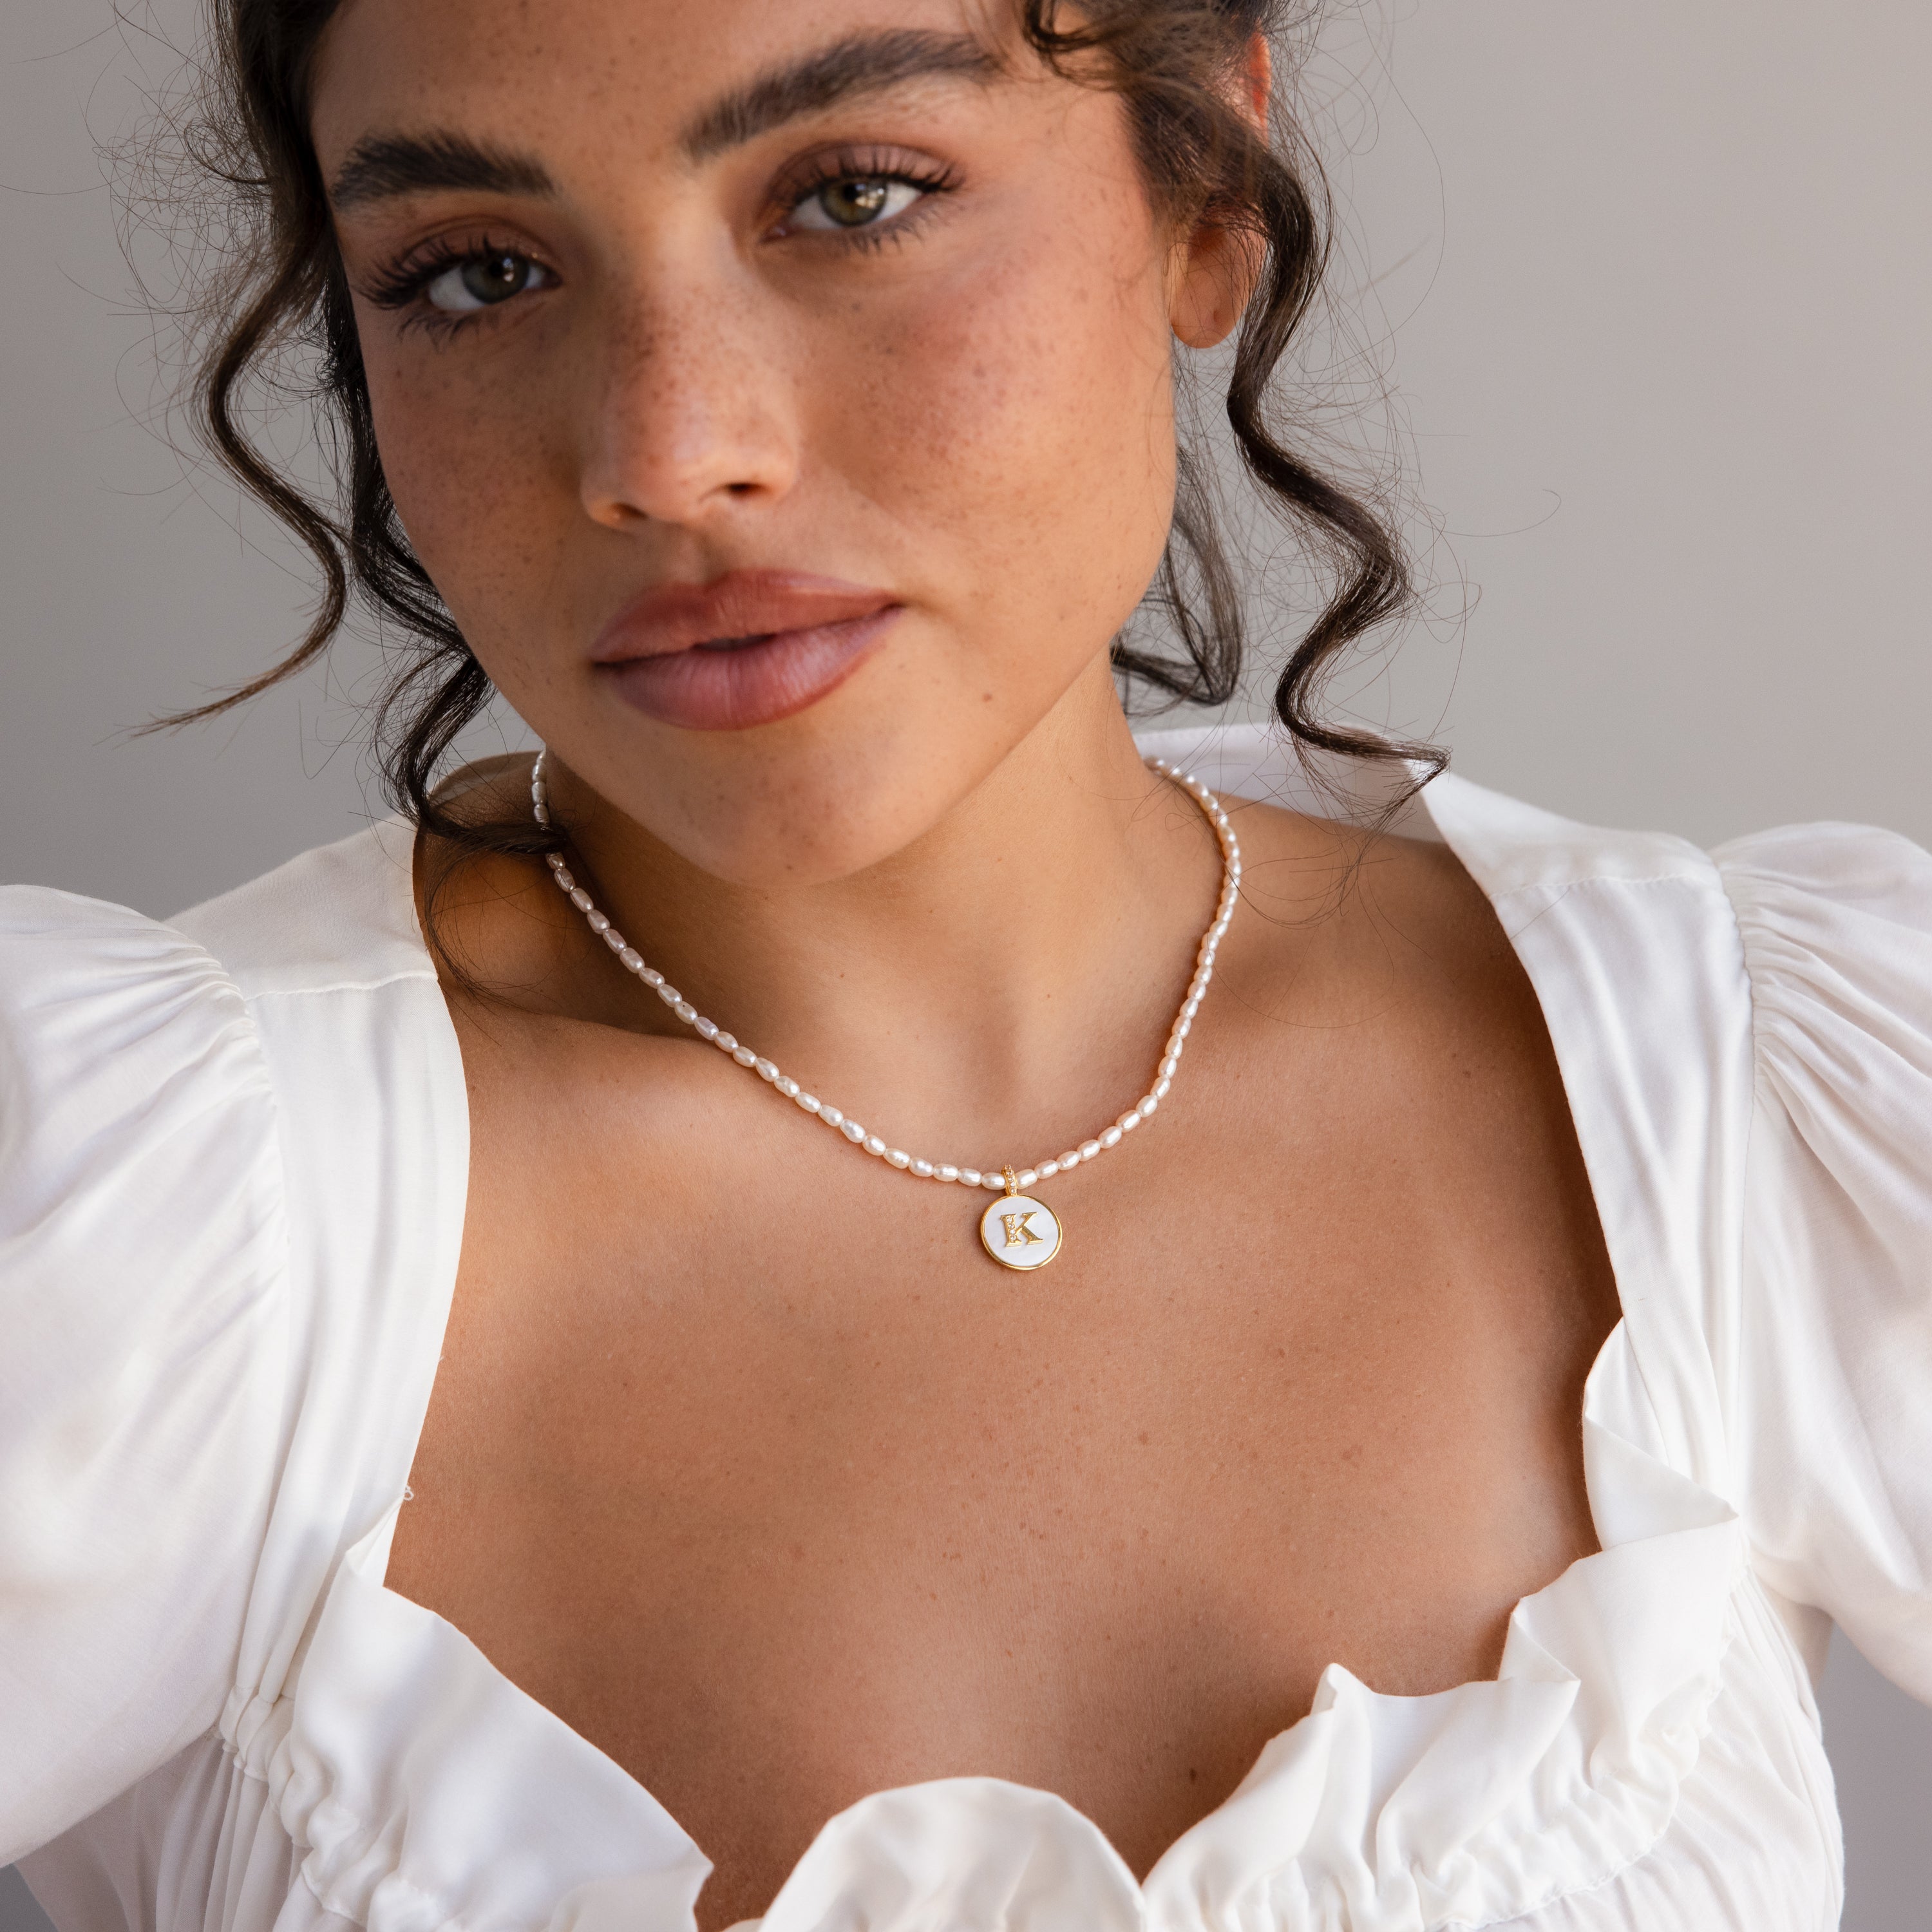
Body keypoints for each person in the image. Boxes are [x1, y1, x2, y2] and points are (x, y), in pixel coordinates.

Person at [3, 1, 1927, 1927]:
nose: (670, 456)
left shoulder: (1747, 1099)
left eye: (853, 196)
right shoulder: (131, 1233)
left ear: (1205, 194)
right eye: (476, 272)